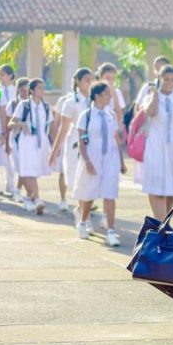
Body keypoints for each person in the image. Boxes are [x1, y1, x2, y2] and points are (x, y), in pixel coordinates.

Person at [73, 82, 126, 247]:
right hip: (93, 157)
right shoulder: (86, 116)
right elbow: (82, 141)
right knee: (89, 193)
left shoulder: (111, 115)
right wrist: (87, 162)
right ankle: (83, 222)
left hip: (110, 158)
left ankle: (111, 231)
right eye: (106, 94)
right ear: (97, 96)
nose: (110, 97)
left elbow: (115, 139)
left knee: (110, 194)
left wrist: (122, 161)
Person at [140, 65, 173, 220]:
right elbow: (150, 112)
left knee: (172, 189)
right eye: (166, 79)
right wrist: (155, 94)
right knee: (157, 187)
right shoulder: (150, 97)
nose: (169, 83)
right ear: (160, 79)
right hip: (156, 146)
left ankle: (164, 223)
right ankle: (160, 223)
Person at [50, 68, 94, 219]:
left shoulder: (95, 100)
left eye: (91, 80)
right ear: (78, 82)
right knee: (79, 179)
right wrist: (54, 152)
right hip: (75, 144)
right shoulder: (70, 102)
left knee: (90, 180)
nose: (90, 83)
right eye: (87, 80)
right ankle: (83, 216)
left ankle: (83, 212)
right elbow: (63, 128)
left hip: (92, 144)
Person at [8, 78, 54, 214]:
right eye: (39, 88)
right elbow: (11, 123)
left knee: (33, 171)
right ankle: (37, 199)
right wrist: (21, 124)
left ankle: (30, 198)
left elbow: (50, 128)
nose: (42, 90)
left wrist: (53, 146)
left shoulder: (46, 107)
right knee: (29, 171)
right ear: (32, 90)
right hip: (26, 142)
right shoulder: (24, 105)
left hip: (41, 143)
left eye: (43, 88)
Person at [5, 77, 29, 201]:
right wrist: (7, 144)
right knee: (19, 167)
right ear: (18, 90)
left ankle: (19, 191)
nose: (25, 93)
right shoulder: (13, 104)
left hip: (29, 141)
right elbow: (8, 125)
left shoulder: (33, 104)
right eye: (22, 90)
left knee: (25, 168)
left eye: (27, 90)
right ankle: (16, 190)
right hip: (15, 140)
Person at [0, 64, 18, 199]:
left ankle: (11, 185)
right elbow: (2, 111)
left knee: (9, 154)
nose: (0, 77)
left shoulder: (15, 90)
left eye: (3, 74)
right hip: (1, 124)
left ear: (10, 75)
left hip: (11, 125)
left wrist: (6, 130)